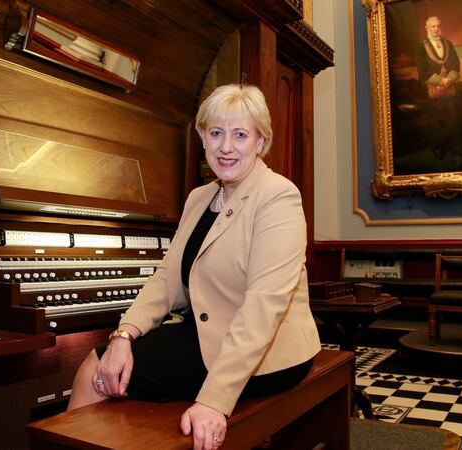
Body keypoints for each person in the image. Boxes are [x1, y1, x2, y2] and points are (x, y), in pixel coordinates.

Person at [67, 84, 321, 450]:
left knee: (94, 372)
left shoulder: (278, 196)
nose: (226, 146)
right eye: (216, 133)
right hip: (204, 332)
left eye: (240, 135)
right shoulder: (200, 197)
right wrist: (124, 335)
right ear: (203, 137)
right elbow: (168, 277)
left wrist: (215, 401)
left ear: (260, 141)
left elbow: (264, 306)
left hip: (266, 350)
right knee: (104, 365)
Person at [415, 16, 462, 158]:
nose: (436, 29)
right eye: (432, 26)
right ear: (427, 29)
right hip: (432, 89)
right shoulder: (421, 47)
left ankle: (456, 146)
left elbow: (456, 63)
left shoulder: (448, 43)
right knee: (436, 119)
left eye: (438, 26)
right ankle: (438, 148)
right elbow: (422, 69)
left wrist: (450, 79)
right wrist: (441, 81)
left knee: (453, 117)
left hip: (450, 87)